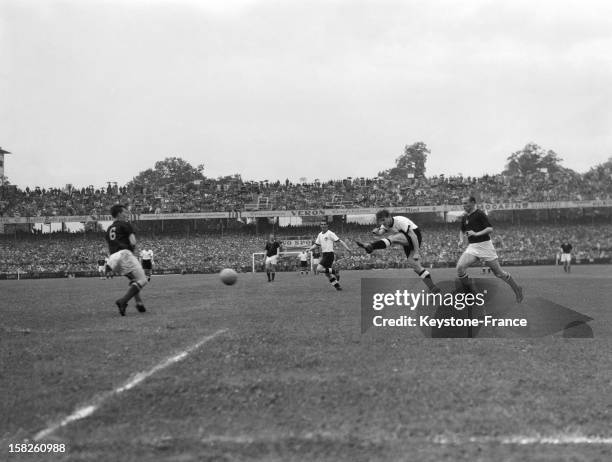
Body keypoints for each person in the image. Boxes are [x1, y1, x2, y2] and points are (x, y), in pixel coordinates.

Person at [456, 196, 523, 302]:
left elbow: (490, 229)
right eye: (463, 203)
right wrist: (460, 240)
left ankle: (517, 289)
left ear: (473, 203)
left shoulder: (480, 214)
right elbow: (462, 230)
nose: (464, 205)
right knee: (460, 268)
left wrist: (476, 233)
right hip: (473, 247)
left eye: (466, 203)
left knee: (499, 273)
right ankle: (472, 294)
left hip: (485, 246)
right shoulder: (465, 217)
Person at [356, 209, 440, 293]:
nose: (382, 223)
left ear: (389, 217)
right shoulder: (385, 224)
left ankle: (371, 246)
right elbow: (381, 232)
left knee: (393, 238)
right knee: (416, 266)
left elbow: (413, 236)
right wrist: (376, 232)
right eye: (380, 221)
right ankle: (433, 287)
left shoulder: (400, 221)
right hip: (406, 241)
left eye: (383, 220)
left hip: (415, 237)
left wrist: (417, 252)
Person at [105, 204, 148, 316]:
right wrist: (131, 253)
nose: (127, 214)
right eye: (125, 212)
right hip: (124, 254)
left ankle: (139, 303)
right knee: (143, 280)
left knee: (135, 280)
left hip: (113, 258)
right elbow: (133, 241)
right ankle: (123, 301)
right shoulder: (125, 224)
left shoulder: (109, 229)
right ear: (119, 213)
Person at [308, 220, 352, 291]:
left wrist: (347, 248)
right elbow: (316, 245)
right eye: (321, 224)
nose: (323, 225)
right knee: (327, 274)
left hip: (329, 254)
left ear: (327, 225)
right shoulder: (320, 234)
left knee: (319, 269)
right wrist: (309, 249)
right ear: (320, 226)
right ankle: (338, 287)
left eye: (324, 224)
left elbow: (340, 241)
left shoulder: (330, 233)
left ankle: (335, 271)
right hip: (324, 254)